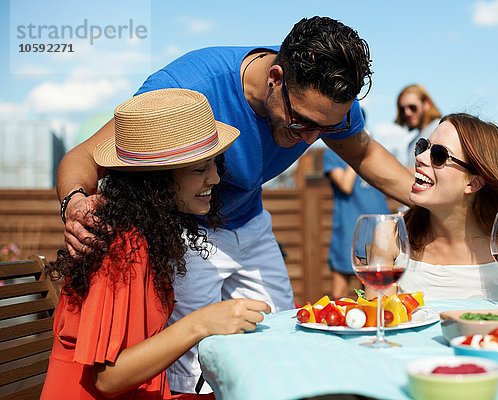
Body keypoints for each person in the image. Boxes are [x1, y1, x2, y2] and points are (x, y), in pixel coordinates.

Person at [55, 16, 414, 394]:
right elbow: (85, 156)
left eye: (324, 130)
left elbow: (364, 153)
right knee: (193, 368)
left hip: (251, 222)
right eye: (301, 123)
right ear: (275, 78)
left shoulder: (323, 107)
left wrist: (432, 195)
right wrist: (76, 203)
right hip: (183, 231)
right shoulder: (187, 90)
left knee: (281, 337)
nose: (310, 138)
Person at [41, 89, 271, 400]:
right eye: (200, 169)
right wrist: (202, 322)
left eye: (215, 164)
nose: (215, 178)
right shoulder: (122, 244)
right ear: (157, 180)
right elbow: (108, 378)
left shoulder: (146, 235)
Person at [370, 113, 498, 303]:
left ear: (473, 182)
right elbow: (380, 322)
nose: (420, 158)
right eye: (423, 146)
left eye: (438, 155)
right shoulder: (390, 235)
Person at [324, 146, 390, 299]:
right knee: (338, 293)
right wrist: (356, 153)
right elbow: (345, 185)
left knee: (373, 292)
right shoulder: (332, 153)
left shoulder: (374, 151)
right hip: (348, 228)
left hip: (377, 229)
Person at [394, 84, 441, 168]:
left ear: (427, 104)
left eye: (412, 107)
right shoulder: (411, 143)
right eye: (402, 109)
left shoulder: (440, 128)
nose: (407, 113)